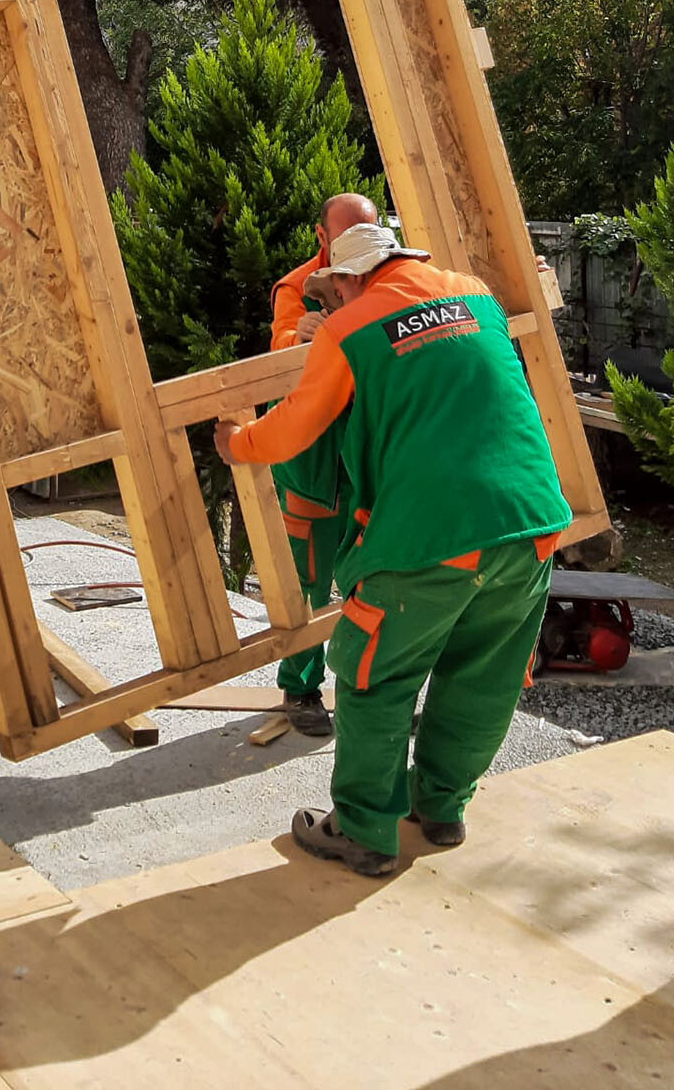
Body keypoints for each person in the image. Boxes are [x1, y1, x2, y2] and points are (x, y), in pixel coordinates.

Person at [216, 205, 569, 878]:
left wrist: (236, 444)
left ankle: (362, 830)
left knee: (372, 679)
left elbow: (294, 428)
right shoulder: (471, 293)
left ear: (349, 277)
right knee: (481, 681)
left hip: (430, 535)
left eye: (338, 287)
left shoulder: (348, 326)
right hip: (529, 526)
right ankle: (441, 810)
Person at [265, 193, 381, 735]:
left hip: (363, 462)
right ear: (321, 238)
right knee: (308, 581)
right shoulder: (295, 287)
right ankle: (300, 689)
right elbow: (277, 355)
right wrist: (298, 338)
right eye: (346, 235)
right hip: (311, 460)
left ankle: (370, 690)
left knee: (376, 580)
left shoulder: (384, 277)